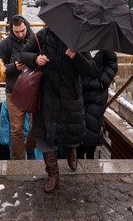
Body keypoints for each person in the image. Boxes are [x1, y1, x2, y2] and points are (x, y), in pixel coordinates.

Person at [20, 26, 99, 193]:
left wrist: (76, 57)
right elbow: (23, 54)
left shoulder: (77, 39)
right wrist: (35, 59)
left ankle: (71, 150)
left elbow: (92, 70)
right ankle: (53, 174)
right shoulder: (42, 35)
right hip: (46, 97)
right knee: (46, 136)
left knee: (70, 132)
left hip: (70, 97)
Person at [0, 15, 36, 160]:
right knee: (16, 130)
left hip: (33, 91)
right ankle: (18, 161)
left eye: (22, 31)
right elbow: (0, 67)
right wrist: (14, 67)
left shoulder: (36, 41)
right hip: (14, 91)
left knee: (36, 126)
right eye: (17, 32)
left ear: (27, 26)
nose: (20, 34)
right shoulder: (6, 44)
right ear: (12, 30)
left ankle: (30, 148)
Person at [77, 50, 118, 159]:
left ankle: (90, 156)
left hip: (97, 92)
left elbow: (112, 64)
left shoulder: (104, 44)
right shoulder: (77, 43)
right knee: (78, 123)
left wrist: (103, 81)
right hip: (79, 90)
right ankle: (79, 157)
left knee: (94, 123)